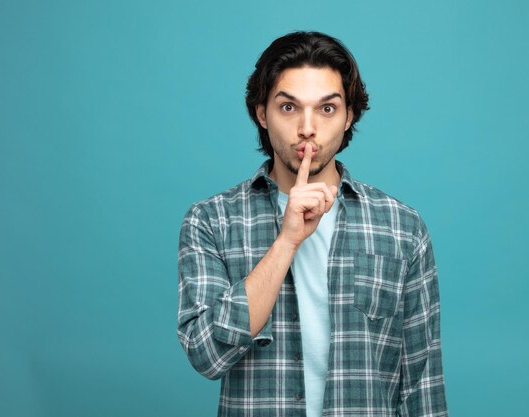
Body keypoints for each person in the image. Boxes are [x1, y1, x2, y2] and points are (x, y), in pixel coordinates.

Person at [177, 31, 448, 417]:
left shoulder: (402, 228)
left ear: (349, 115)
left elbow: (423, 384)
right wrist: (286, 242)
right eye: (288, 108)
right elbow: (206, 356)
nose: (307, 128)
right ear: (261, 113)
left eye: (326, 109)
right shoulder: (212, 221)